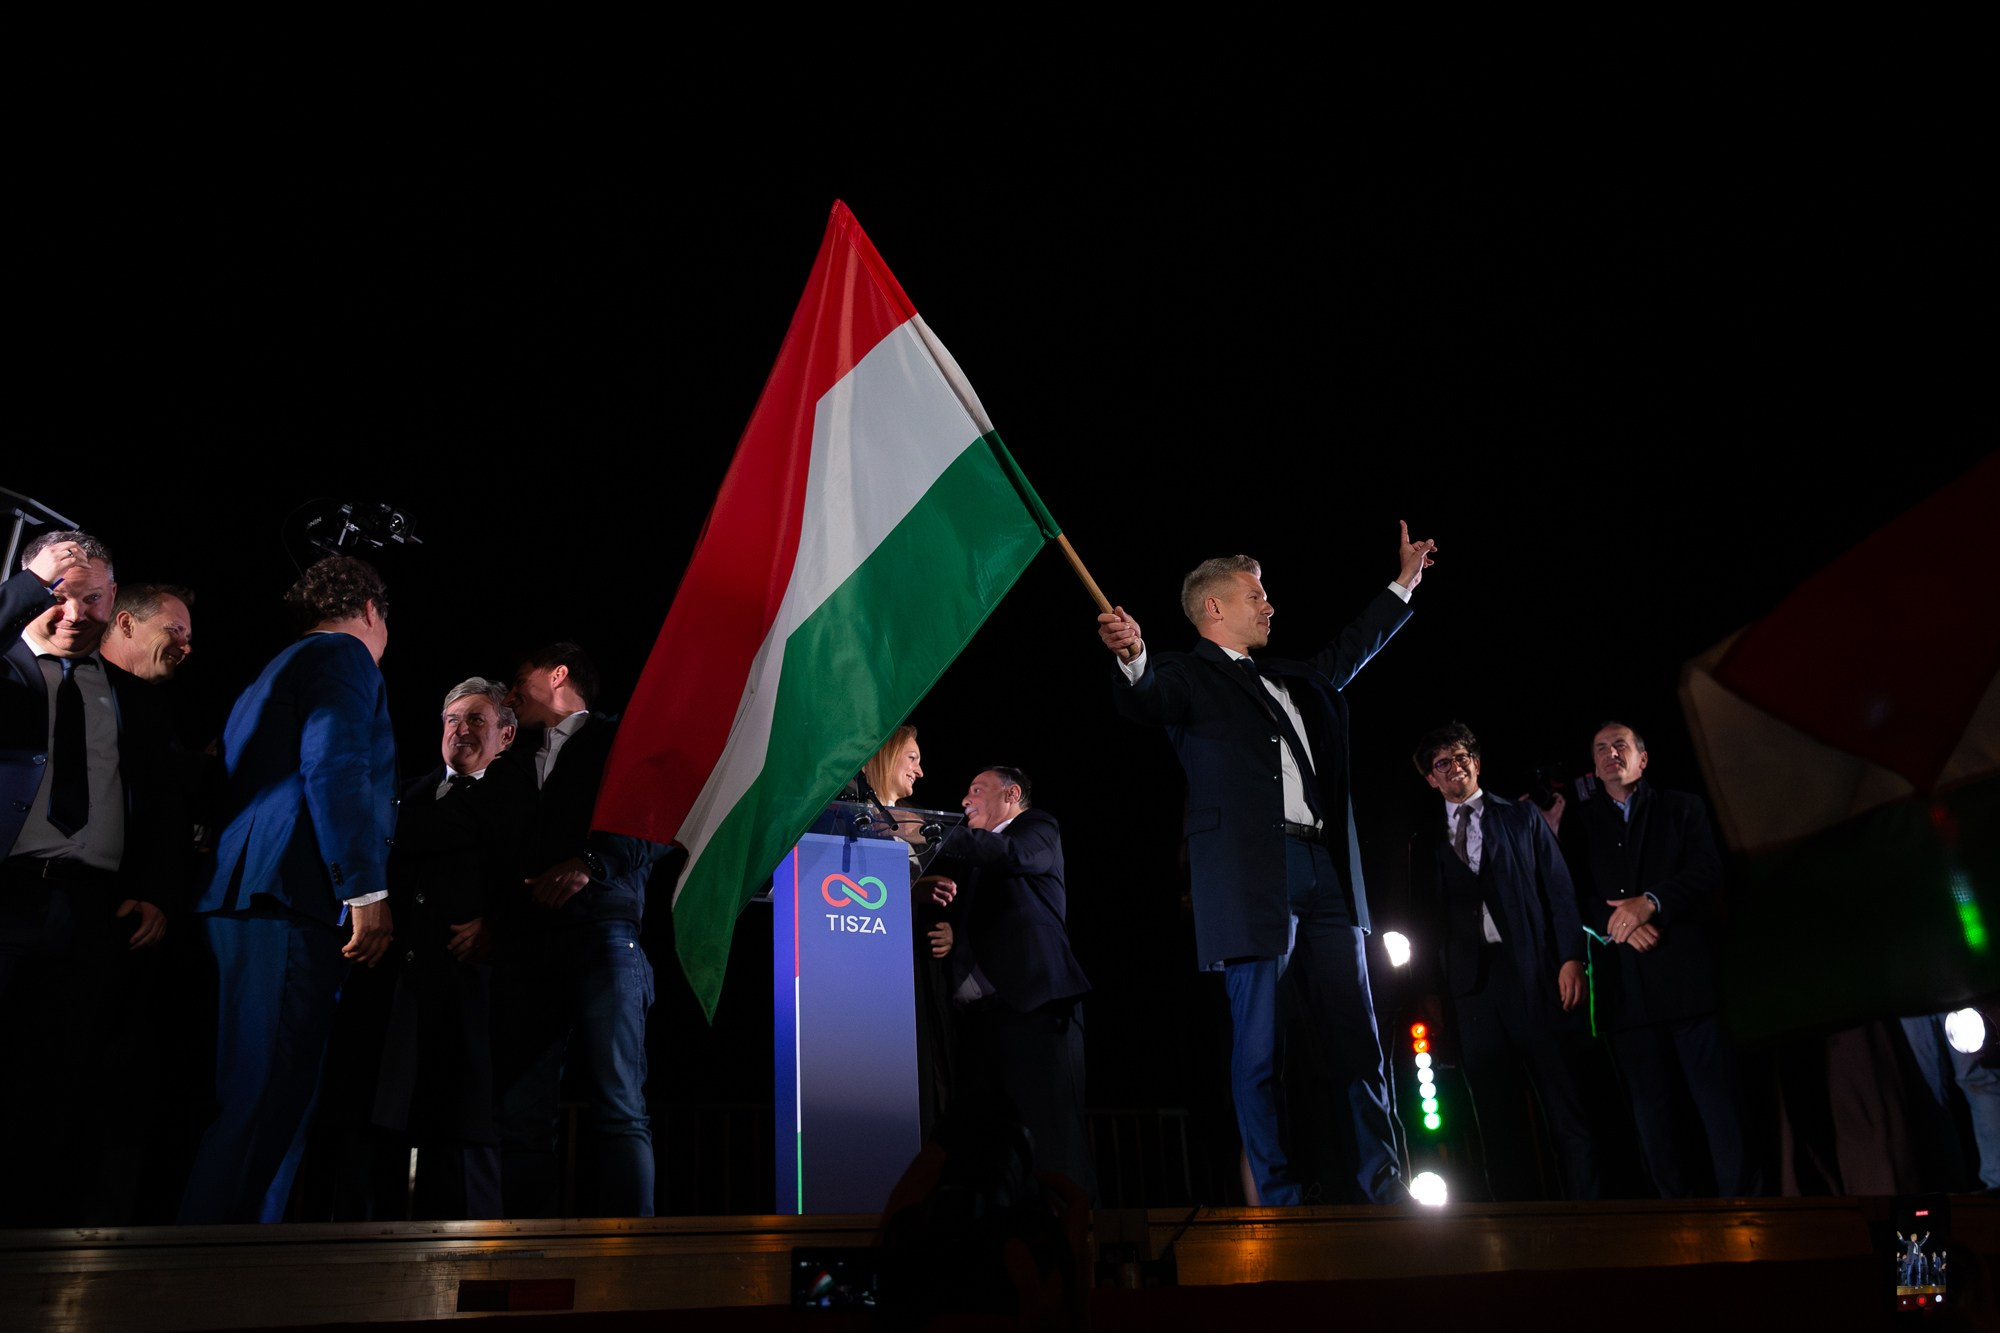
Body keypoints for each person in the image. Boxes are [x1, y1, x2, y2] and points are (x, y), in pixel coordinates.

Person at [1095, 522, 1436, 1205]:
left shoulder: (1290, 677)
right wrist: (1132, 653)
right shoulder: (1185, 676)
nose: (1269, 605)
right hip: (1255, 876)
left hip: (1325, 868)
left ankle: (1386, 1182)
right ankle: (1278, 1194)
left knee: (1359, 1036)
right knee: (1259, 1047)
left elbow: (1348, 650)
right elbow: (1145, 694)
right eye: (1256, 594)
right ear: (1213, 607)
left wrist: (1402, 585)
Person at [177, 556, 398, 1224]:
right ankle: (214, 1281)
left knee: (250, 1092)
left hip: (242, 894)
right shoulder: (346, 655)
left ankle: (223, 1265)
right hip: (287, 895)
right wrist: (364, 889)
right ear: (368, 610)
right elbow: (335, 765)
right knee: (268, 1095)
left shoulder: (265, 674)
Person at [0, 530, 184, 1224]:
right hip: (7, 899)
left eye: (92, 598)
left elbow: (162, 802)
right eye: (57, 594)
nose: (76, 611)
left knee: (59, 1090)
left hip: (90, 914)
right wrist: (26, 587)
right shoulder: (6, 667)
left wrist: (158, 888)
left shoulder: (133, 698)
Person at [496, 642, 672, 1217]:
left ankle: (630, 1263)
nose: (510, 691)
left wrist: (591, 863)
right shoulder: (511, 752)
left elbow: (659, 820)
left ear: (558, 674)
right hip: (529, 943)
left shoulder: (622, 738)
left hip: (603, 935)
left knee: (618, 1105)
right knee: (522, 1111)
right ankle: (525, 1255)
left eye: (518, 678)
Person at [1561, 720, 1759, 1197]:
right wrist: (1623, 929)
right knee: (1653, 1114)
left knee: (1719, 1105)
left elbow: (1709, 870)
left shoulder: (1682, 807)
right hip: (1627, 990)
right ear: (1593, 765)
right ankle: (1676, 1215)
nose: (1611, 754)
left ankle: (1748, 1207)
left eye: (1621, 746)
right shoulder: (1580, 823)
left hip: (1688, 980)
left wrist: (1651, 902)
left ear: (1642, 759)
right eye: (1602, 748)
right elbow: (1574, 894)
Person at [1410, 721, 1597, 1200]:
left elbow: (1559, 890)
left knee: (1565, 1102)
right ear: (1431, 778)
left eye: (1462, 757)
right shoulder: (1425, 839)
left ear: (1478, 762)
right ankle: (1521, 1221)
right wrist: (1431, 992)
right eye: (1443, 763)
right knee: (1497, 1113)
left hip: (1531, 975)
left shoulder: (1520, 817)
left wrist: (1571, 958)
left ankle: (1591, 1208)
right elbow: (1422, 922)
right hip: (1472, 992)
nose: (1455, 768)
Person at [371, 677, 532, 1219]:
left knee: (465, 1132)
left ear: (506, 737)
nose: (461, 730)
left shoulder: (519, 799)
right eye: (452, 720)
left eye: (477, 720)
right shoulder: (405, 793)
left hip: (471, 990)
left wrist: (500, 928)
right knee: (383, 1123)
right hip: (397, 982)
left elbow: (529, 883)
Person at [929, 767, 1096, 1201]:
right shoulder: (984, 859)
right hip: (987, 1024)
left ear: (1013, 794)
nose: (965, 800)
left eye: (977, 790)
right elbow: (989, 921)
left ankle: (1076, 1247)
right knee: (994, 1152)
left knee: (1054, 1139)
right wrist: (955, 939)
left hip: (1037, 1010)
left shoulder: (1036, 828)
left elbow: (1014, 857)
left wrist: (933, 833)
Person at [100, 583, 194, 682]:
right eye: (175, 630)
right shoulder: (85, 689)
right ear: (127, 624)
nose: (187, 649)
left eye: (187, 638)